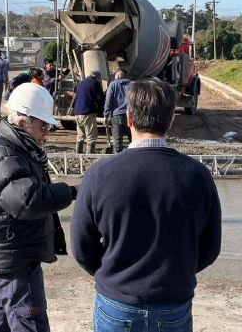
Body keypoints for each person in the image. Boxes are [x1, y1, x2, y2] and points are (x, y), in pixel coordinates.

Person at [71, 77, 222, 332]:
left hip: (116, 303)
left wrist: (113, 275)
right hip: (173, 302)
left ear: (128, 118)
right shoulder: (197, 175)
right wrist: (176, 274)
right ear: (171, 120)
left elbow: (81, 247)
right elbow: (210, 248)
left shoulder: (99, 175)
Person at [0, 83, 77, 332]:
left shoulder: (15, 149)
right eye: (43, 126)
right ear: (23, 123)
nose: (46, 133)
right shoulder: (4, 156)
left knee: (3, 323)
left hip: (12, 252)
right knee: (30, 321)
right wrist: (71, 192)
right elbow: (28, 202)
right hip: (14, 257)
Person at [72, 70, 105, 154]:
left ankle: (78, 153)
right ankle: (89, 155)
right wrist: (101, 111)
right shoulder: (94, 83)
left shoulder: (81, 82)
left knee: (80, 135)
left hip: (77, 112)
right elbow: (100, 98)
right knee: (91, 135)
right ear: (97, 77)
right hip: (87, 112)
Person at [103, 70, 132, 153]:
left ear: (118, 76)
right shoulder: (133, 84)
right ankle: (134, 155)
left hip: (116, 115)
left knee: (117, 139)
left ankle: (118, 157)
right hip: (130, 114)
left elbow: (108, 100)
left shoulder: (113, 84)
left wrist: (106, 113)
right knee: (133, 138)